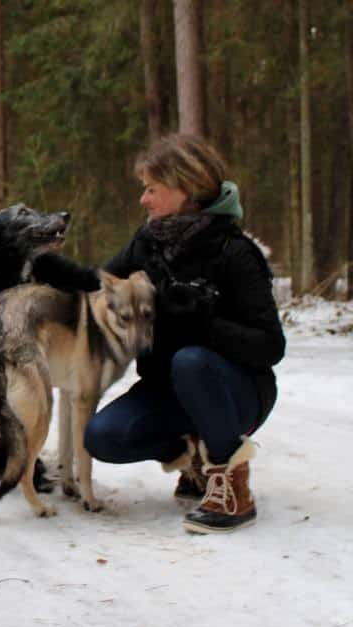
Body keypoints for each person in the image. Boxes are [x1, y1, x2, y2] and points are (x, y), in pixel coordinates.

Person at [33, 134, 285, 533]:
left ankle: (231, 485)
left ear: (185, 189)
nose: (143, 199)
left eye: (152, 189)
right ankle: (193, 454)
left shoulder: (234, 253)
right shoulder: (148, 242)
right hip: (169, 389)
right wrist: (54, 270)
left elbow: (270, 346)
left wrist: (203, 322)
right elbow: (103, 283)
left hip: (236, 392)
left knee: (191, 361)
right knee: (102, 436)